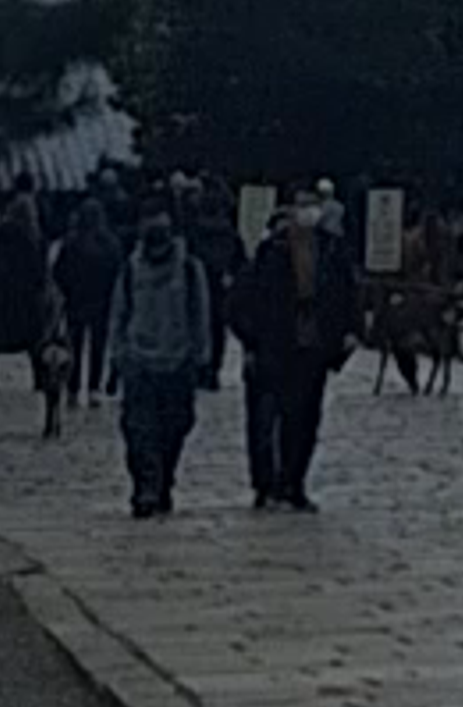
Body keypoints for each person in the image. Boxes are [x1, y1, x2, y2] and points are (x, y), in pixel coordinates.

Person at [233, 189, 357, 511]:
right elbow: (242, 302)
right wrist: (251, 341)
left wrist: (350, 332)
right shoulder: (269, 252)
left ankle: (294, 482)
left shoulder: (331, 249)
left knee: (304, 419)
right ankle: (266, 484)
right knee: (265, 421)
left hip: (313, 346)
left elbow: (347, 293)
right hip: (273, 346)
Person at [114, 190, 219, 521]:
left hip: (178, 360)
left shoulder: (189, 268)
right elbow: (119, 312)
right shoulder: (131, 268)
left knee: (175, 427)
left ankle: (163, 482)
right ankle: (146, 486)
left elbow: (201, 312)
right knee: (139, 430)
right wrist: (118, 354)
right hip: (140, 361)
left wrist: (202, 356)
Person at [0, 190, 49, 391]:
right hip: (26, 299)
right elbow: (40, 271)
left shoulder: (3, 233)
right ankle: (38, 378)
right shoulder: (36, 238)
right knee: (34, 339)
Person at [49, 191, 123, 401]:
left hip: (76, 300)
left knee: (74, 344)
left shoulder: (71, 243)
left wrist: (67, 291)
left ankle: (72, 387)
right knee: (98, 345)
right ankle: (94, 388)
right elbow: (117, 273)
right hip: (102, 301)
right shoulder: (111, 244)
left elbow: (58, 272)